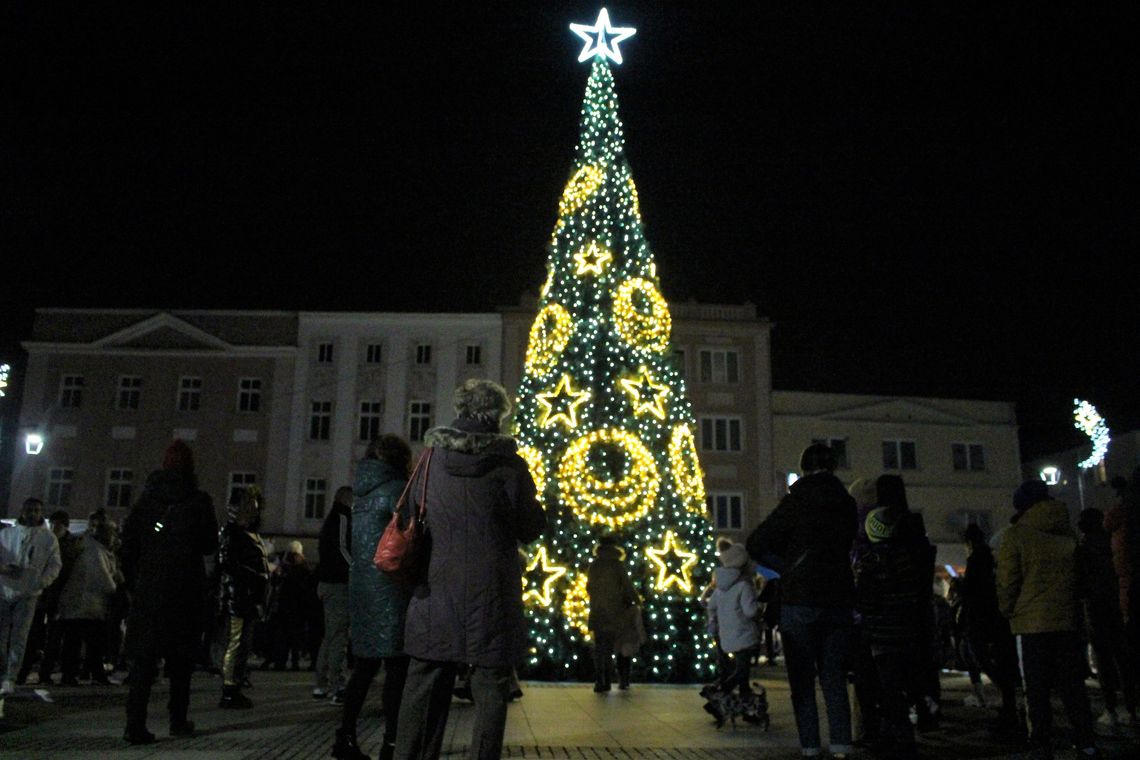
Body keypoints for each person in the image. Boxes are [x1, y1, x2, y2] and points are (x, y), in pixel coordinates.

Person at [393, 379, 546, 760]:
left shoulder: (429, 461)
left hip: (435, 590)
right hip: (491, 593)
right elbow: (530, 528)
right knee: (492, 687)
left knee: (425, 682)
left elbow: (411, 514)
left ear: (460, 411)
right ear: (496, 416)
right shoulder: (510, 467)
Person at [746, 443, 856, 759]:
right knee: (834, 678)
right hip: (838, 598)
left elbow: (757, 543)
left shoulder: (797, 501)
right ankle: (841, 746)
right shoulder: (846, 504)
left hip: (801, 599)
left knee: (802, 679)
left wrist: (787, 567)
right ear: (833, 468)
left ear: (804, 468)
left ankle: (810, 746)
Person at [120, 440, 218, 744]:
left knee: (145, 662)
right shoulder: (199, 501)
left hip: (150, 588)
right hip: (185, 588)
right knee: (181, 661)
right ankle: (177, 719)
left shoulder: (147, 501)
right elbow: (209, 545)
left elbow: (128, 545)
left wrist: (137, 578)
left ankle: (135, 724)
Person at [996, 479, 1096, 758]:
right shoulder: (1068, 533)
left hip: (1031, 624)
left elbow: (1007, 581)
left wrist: (1007, 610)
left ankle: (1040, 744)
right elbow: (1081, 578)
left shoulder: (1016, 535)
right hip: (1067, 621)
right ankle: (1085, 741)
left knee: (1036, 689)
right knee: (1072, 686)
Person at [332, 434, 413, 760]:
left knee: (364, 669)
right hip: (392, 589)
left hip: (363, 589)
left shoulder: (360, 494)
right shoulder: (397, 492)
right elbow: (412, 537)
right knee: (396, 669)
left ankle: (345, 737)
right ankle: (391, 744)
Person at [854, 507, 920, 760]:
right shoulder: (904, 558)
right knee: (895, 689)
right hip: (902, 632)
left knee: (882, 689)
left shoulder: (870, 561)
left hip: (879, 634)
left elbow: (863, 599)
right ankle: (900, 736)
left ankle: (894, 739)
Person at [878, 474, 940, 731]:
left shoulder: (890, 525)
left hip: (897, 608)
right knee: (922, 661)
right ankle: (928, 709)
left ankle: (903, 719)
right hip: (920, 605)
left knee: (899, 665)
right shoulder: (915, 523)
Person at [1076, 507, 1136, 727]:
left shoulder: (1084, 548)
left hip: (1097, 608)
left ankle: (1110, 707)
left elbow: (1080, 583)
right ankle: (1132, 706)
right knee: (1124, 658)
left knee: (1104, 660)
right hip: (1118, 604)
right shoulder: (1114, 543)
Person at [960, 523, 1022, 734]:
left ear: (968, 542)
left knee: (986, 659)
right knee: (997, 662)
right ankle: (1010, 703)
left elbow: (972, 592)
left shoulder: (978, 559)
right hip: (994, 619)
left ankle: (1010, 704)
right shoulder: (990, 557)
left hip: (983, 620)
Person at [0, 498, 62, 695]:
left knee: (19, 637)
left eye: (36, 510)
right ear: (22, 511)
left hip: (28, 593)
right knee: (1, 637)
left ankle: (10, 676)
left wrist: (41, 583)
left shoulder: (48, 538)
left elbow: (55, 565)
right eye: (29, 509)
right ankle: (2, 672)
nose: (32, 513)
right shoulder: (6, 534)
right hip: (4, 590)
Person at [217, 486, 270, 709]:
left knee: (243, 644)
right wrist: (256, 577)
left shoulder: (249, 533)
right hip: (237, 596)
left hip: (249, 597)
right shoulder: (232, 533)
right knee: (235, 642)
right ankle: (229, 688)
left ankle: (235, 683)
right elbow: (228, 563)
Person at [57, 509, 122, 685]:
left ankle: (73, 674)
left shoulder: (92, 547)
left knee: (76, 641)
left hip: (81, 604)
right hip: (87, 605)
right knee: (91, 642)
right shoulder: (95, 551)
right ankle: (86, 673)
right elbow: (102, 578)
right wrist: (116, 590)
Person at [704, 540, 764, 728]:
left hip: (727, 636)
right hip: (744, 635)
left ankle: (746, 709)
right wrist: (760, 606)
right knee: (741, 673)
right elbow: (750, 611)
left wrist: (715, 620)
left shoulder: (721, 587)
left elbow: (710, 605)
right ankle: (718, 694)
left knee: (743, 677)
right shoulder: (744, 585)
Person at [20, 510, 81, 685]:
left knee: (53, 638)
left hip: (58, 596)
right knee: (33, 635)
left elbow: (66, 571)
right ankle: (24, 672)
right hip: (41, 594)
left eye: (58, 524)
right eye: (52, 523)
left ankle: (44, 672)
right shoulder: (48, 540)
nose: (54, 527)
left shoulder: (70, 545)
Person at [314, 485, 353, 703]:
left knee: (330, 635)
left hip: (326, 582)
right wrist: (355, 569)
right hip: (338, 583)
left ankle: (320, 684)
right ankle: (336, 685)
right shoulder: (342, 517)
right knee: (339, 636)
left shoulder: (330, 518)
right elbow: (343, 547)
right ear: (347, 500)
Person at [586, 535, 638, 693]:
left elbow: (589, 587)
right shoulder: (617, 564)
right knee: (611, 646)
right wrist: (636, 601)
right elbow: (627, 586)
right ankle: (610, 680)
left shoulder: (594, 565)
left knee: (600, 647)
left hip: (597, 610)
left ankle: (600, 680)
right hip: (614, 611)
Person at [268, 540, 313, 672]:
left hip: (286, 607)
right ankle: (293, 662)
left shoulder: (285, 568)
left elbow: (276, 583)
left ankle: (281, 662)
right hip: (296, 608)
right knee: (294, 637)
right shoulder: (302, 569)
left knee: (284, 637)